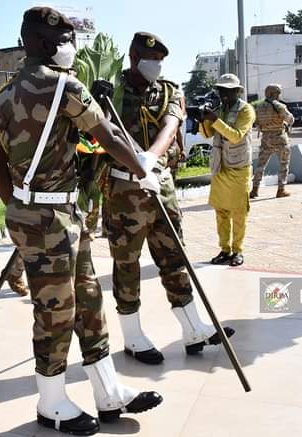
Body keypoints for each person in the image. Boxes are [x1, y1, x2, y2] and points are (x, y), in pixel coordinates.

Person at [0, 8, 163, 435]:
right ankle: (51, 403)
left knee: (87, 300)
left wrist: (19, 205)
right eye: (68, 38)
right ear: (47, 44)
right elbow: (109, 136)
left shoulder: (5, 95)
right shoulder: (64, 85)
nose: (73, 45)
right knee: (55, 310)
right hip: (51, 218)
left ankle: (108, 392)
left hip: (54, 214)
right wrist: (144, 169)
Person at [103, 32, 236, 366]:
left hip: (160, 184)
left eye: (161, 60)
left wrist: (149, 157)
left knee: (174, 258)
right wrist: (134, 162)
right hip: (124, 191)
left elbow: (171, 123)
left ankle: (193, 328)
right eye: (151, 59)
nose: (157, 66)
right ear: (133, 57)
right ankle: (133, 336)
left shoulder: (169, 90)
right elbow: (101, 131)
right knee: (127, 265)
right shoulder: (112, 92)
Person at [200, 73, 256, 267]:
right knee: (221, 212)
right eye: (221, 90)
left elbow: (236, 136)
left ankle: (238, 251)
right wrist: (203, 119)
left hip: (239, 167)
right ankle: (225, 250)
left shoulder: (246, 110)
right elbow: (207, 134)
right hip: (220, 166)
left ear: (237, 91)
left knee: (239, 212)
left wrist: (215, 119)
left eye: (228, 90)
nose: (224, 94)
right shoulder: (219, 109)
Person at [251, 84, 295, 199]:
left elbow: (256, 122)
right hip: (280, 137)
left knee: (260, 165)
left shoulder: (258, 107)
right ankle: (281, 190)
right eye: (278, 93)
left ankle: (254, 190)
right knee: (283, 164)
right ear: (274, 94)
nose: (279, 96)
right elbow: (290, 119)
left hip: (265, 138)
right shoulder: (279, 106)